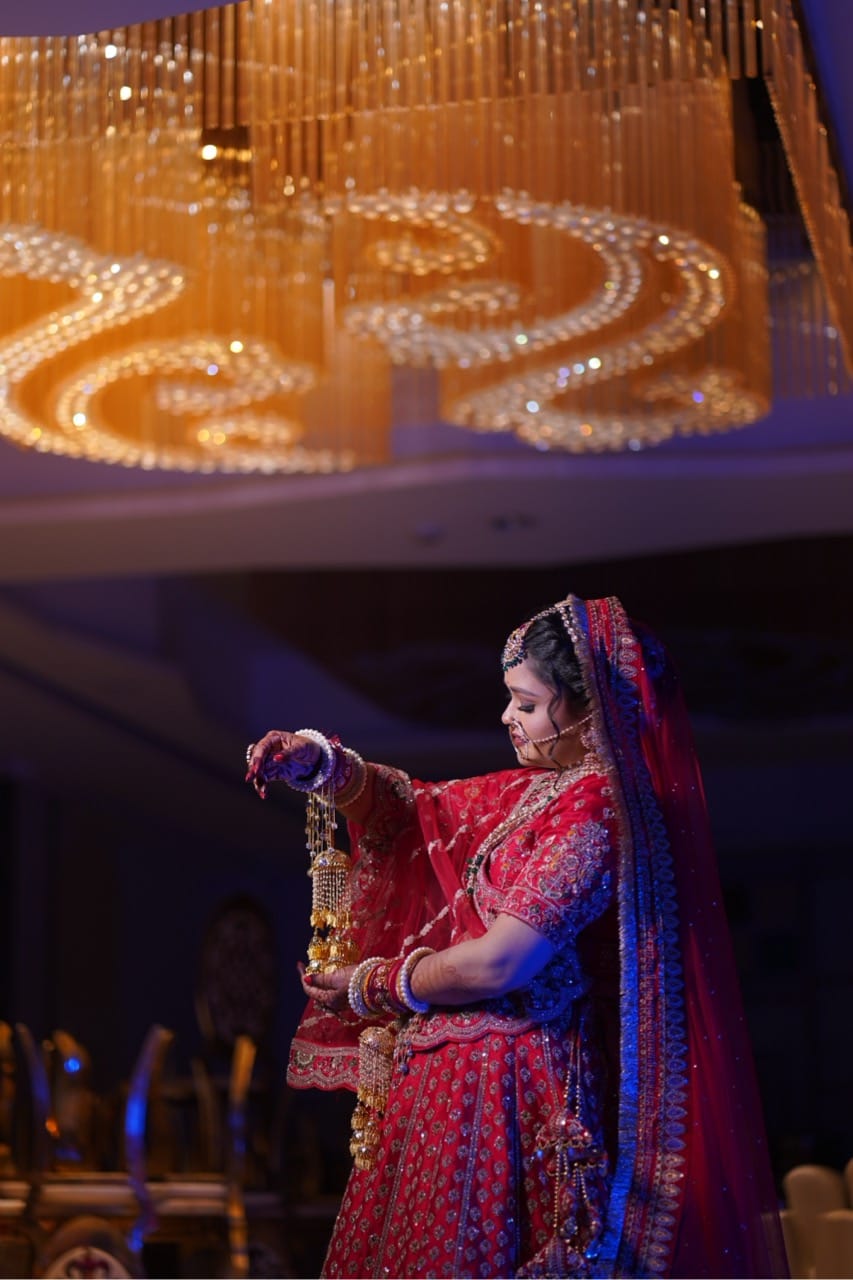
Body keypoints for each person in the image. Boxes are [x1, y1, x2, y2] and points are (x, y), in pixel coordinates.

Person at [246, 593, 789, 1279]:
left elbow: (502, 962)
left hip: (503, 1089)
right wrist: (323, 766)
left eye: (527, 705)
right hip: (444, 1081)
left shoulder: (598, 807)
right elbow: (420, 811)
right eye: (510, 700)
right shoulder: (532, 793)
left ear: (592, 710)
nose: (507, 717)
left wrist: (371, 983)